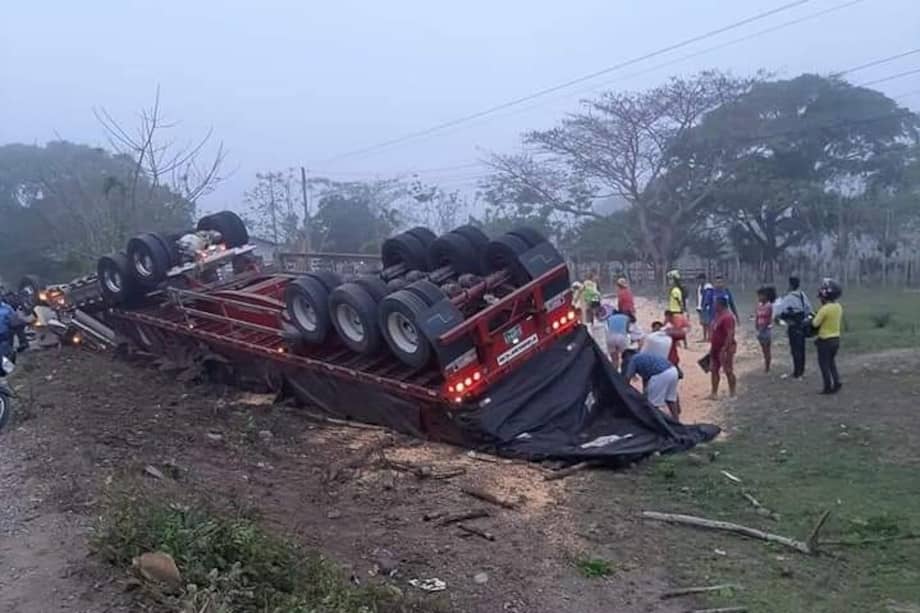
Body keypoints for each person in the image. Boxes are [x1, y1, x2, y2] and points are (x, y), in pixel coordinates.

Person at [623, 350, 681, 420]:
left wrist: (622, 390)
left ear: (627, 357)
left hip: (661, 373)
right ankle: (676, 421)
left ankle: (656, 422)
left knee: (653, 405)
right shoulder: (644, 357)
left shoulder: (633, 359)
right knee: (670, 399)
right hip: (673, 370)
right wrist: (645, 393)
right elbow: (646, 379)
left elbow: (627, 378)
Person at [776, 276, 813, 379]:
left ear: (790, 285)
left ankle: (797, 372)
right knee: (801, 348)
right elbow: (809, 309)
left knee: (795, 349)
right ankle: (801, 371)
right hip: (802, 324)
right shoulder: (802, 295)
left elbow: (780, 311)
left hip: (793, 325)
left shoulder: (788, 297)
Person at [812, 279, 843, 394]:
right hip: (836, 339)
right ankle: (837, 381)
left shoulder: (824, 309)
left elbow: (815, 323)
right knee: (831, 362)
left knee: (824, 364)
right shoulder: (838, 307)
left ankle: (827, 387)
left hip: (825, 340)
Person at [709, 295, 737, 399]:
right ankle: (714, 393)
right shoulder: (718, 315)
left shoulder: (728, 317)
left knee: (728, 370)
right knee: (714, 369)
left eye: (715, 303)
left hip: (724, 348)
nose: (714, 305)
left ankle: (732, 392)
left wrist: (725, 348)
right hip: (715, 347)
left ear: (720, 305)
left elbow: (730, 334)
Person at [755, 286, 777, 373]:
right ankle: (766, 364)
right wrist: (756, 325)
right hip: (760, 329)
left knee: (767, 349)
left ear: (765, 296)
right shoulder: (759, 305)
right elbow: (757, 316)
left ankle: (767, 366)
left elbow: (769, 319)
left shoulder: (769, 306)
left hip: (766, 330)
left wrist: (764, 327)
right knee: (764, 349)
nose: (759, 298)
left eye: (760, 296)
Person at [696, 273, 714, 342]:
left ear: (704, 279)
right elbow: (699, 297)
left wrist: (705, 305)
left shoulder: (708, 287)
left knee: (708, 323)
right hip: (701, 307)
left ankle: (710, 337)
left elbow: (708, 297)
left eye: (700, 279)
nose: (699, 281)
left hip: (707, 307)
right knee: (703, 323)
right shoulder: (700, 287)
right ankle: (705, 337)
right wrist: (699, 306)